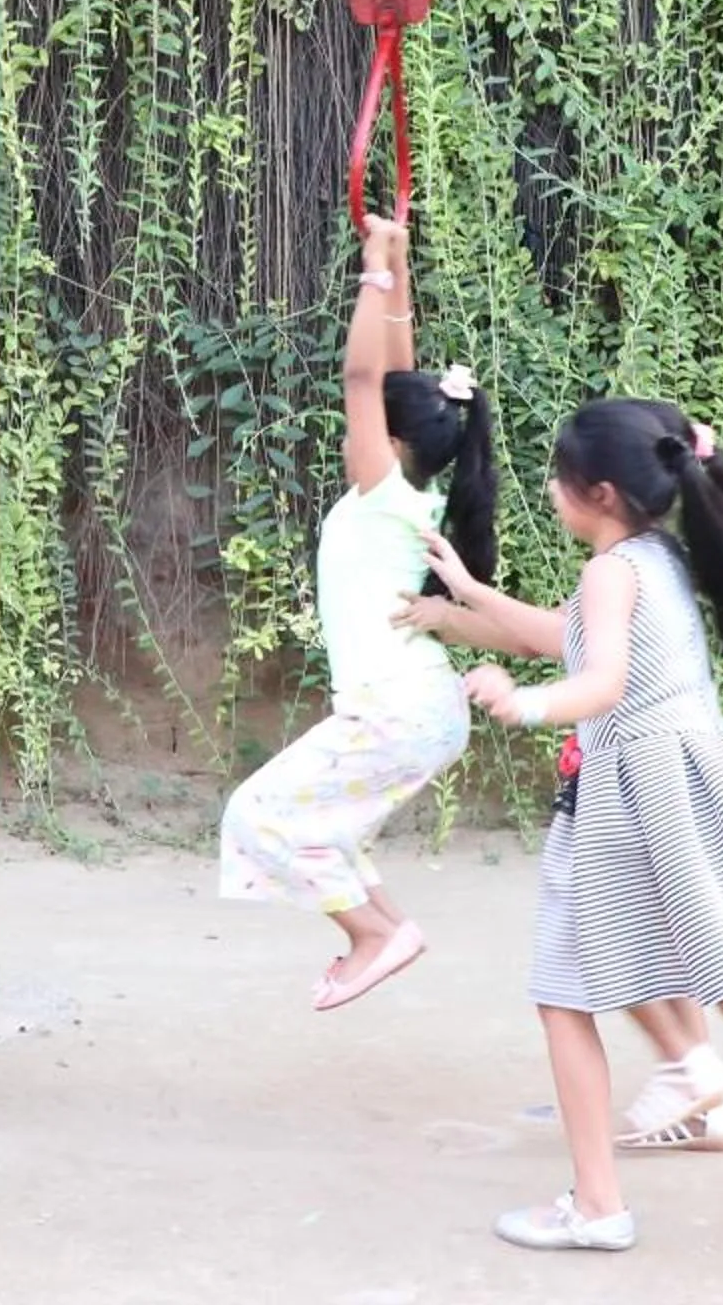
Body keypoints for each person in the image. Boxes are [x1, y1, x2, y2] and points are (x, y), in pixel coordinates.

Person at [406, 397, 723, 1251]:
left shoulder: (612, 573)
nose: (546, 487)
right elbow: (568, 639)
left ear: (598, 491)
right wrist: (466, 596)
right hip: (684, 794)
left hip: (626, 804)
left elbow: (597, 679)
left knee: (563, 998)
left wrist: (518, 702)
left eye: (557, 476)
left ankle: (598, 1209)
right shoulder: (657, 556)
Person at [216, 213, 497, 1010]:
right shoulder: (412, 491)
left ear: (392, 439)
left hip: (398, 713)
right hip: (419, 709)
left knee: (258, 816)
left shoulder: (383, 493)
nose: (355, 431)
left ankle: (375, 934)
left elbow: (363, 381)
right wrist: (399, 269)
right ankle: (385, 931)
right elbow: (394, 373)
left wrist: (373, 265)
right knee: (310, 825)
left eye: (374, 424)